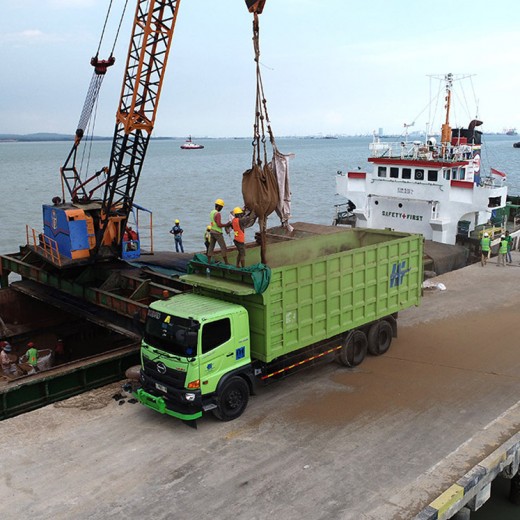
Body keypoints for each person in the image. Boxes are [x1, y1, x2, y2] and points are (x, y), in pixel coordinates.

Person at [207, 199, 230, 264]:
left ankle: (208, 262)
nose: (221, 209)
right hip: (217, 233)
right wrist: (226, 224)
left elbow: (214, 223)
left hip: (212, 231)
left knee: (211, 246)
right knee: (223, 247)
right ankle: (226, 263)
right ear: (219, 206)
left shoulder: (212, 212)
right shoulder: (218, 214)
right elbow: (219, 224)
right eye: (221, 207)